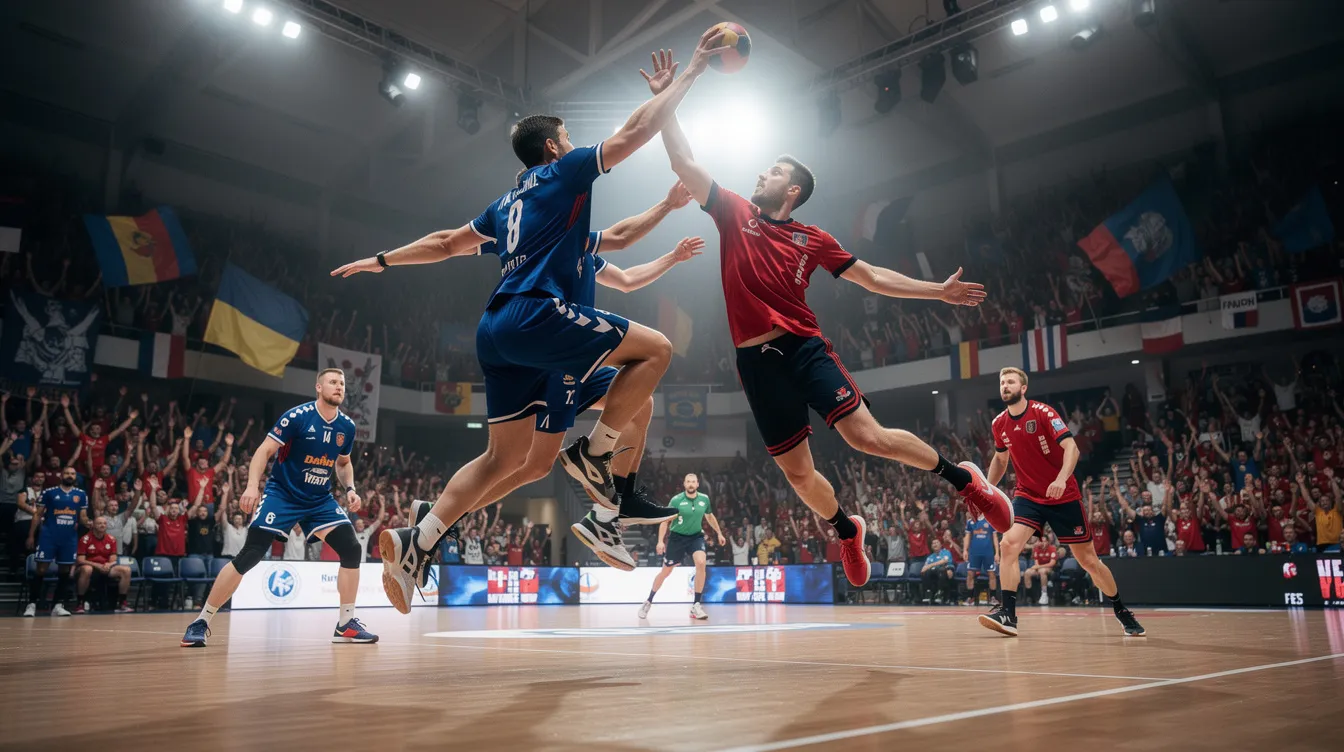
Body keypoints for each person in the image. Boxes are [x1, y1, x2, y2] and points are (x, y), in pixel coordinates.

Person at [330, 36, 731, 612]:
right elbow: (635, 134)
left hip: (500, 330)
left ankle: (420, 537)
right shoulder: (565, 175)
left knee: (520, 456)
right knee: (657, 352)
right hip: (541, 319)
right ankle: (599, 476)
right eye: (566, 136)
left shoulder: (512, 208)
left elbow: (447, 243)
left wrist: (383, 259)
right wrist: (686, 75)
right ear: (552, 145)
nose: (573, 142)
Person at [647, 49, 1011, 591]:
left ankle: (966, 482)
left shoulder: (812, 237)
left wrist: (938, 290)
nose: (761, 173)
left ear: (791, 190)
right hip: (755, 362)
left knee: (868, 437)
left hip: (803, 348)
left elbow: (872, 277)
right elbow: (682, 161)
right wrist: (665, 98)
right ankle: (846, 528)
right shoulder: (732, 211)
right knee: (798, 474)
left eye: (772, 171)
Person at [403, 190, 706, 576]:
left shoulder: (580, 246)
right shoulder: (535, 237)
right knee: (521, 462)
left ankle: (607, 510)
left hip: (572, 357)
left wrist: (672, 258)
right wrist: (389, 259)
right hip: (550, 352)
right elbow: (452, 244)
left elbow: (628, 279)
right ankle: (602, 504)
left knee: (627, 409)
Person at [180, 369, 375, 647]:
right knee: (251, 554)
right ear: (318, 387)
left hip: (319, 499)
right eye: (333, 382)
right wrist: (251, 486)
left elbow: (343, 463)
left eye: (342, 383)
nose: (339, 387)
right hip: (282, 494)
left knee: (351, 548)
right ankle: (201, 621)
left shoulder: (347, 426)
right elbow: (263, 451)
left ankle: (345, 624)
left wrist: (351, 488)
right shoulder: (297, 417)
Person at [979, 368, 1145, 638]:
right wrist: (987, 489)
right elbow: (1000, 459)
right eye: (1001, 382)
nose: (1004, 385)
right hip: (1028, 496)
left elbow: (1072, 448)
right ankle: (1008, 614)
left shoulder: (1044, 413)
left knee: (1089, 561)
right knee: (1008, 545)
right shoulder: (999, 423)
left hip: (1062, 495)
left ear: (1023, 388)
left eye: (1010, 381)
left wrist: (1060, 478)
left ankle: (1121, 610)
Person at [638, 473, 725, 620]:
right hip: (676, 539)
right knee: (666, 572)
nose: (691, 484)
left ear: (697, 484)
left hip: (695, 537)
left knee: (701, 562)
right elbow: (665, 521)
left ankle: (696, 605)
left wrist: (719, 533)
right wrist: (660, 541)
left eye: (693, 482)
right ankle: (648, 601)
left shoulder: (704, 499)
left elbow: (709, 516)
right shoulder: (676, 500)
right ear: (684, 484)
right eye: (688, 482)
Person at [23, 466, 90, 617]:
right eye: (67, 473)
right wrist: (31, 535)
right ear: (61, 475)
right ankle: (32, 604)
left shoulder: (81, 494)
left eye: (73, 474)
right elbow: (37, 515)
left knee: (65, 572)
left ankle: (58, 605)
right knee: (41, 570)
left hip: (69, 538)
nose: (70, 476)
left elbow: (83, 516)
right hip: (49, 536)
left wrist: (88, 522)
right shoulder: (49, 492)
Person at [74, 516, 133, 613]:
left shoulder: (111, 539)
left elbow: (114, 557)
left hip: (105, 567)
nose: (102, 525)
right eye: (99, 523)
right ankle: (80, 603)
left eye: (104, 523)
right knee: (87, 569)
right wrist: (96, 565)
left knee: (126, 570)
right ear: (93, 525)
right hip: (90, 567)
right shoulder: (85, 539)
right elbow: (80, 560)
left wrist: (108, 565)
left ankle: (122, 603)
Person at [962, 512, 998, 605]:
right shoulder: (970, 522)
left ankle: (993, 598)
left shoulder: (991, 521)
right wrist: (965, 550)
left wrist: (997, 553)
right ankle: (970, 598)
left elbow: (995, 537)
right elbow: (967, 537)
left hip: (988, 552)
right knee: (970, 574)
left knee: (992, 574)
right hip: (974, 552)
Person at [919, 538, 955, 604]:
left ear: (941, 545)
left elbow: (944, 561)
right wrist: (924, 568)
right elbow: (925, 566)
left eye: (937, 543)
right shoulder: (930, 557)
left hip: (945, 570)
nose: (935, 544)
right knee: (924, 572)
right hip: (933, 573)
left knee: (942, 570)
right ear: (931, 546)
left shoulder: (946, 552)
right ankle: (928, 592)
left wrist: (930, 565)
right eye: (933, 543)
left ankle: (940, 593)